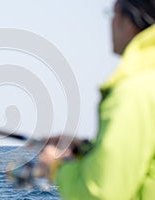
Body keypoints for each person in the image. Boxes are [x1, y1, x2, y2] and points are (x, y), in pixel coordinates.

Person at [39, 0, 155, 199]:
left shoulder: (133, 93)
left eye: (113, 13)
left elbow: (103, 193)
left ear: (129, 21)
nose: (110, 23)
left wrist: (56, 168)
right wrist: (89, 149)